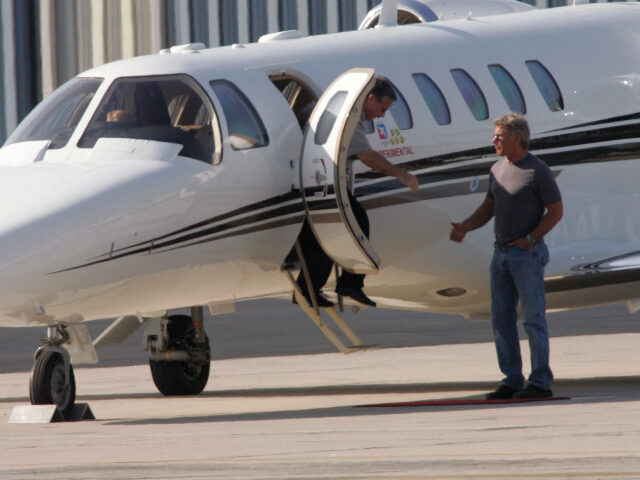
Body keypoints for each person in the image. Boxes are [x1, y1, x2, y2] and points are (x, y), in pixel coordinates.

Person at [449, 113, 563, 400]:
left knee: (534, 319)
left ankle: (540, 382)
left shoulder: (537, 170)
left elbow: (556, 211)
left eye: (499, 136)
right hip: (500, 255)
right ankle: (511, 379)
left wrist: (530, 239)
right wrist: (466, 226)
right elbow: (489, 208)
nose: (494, 141)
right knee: (501, 319)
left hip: (526, 255)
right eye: (495, 136)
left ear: (517, 138)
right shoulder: (497, 169)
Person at [295, 78, 419, 308]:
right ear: (370, 98)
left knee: (320, 236)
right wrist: (402, 175)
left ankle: (309, 290)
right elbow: (366, 156)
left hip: (306, 181)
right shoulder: (345, 118)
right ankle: (349, 283)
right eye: (382, 109)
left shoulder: (324, 107)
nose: (382, 116)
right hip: (317, 183)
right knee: (352, 221)